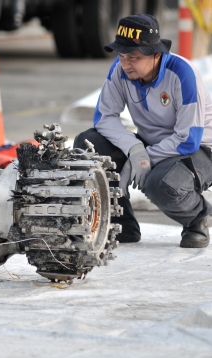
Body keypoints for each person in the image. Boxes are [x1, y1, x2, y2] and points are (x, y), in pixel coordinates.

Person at [73, 14, 212, 248]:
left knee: (161, 184)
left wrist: (144, 160)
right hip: (151, 144)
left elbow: (188, 138)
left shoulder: (182, 73)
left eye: (134, 57)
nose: (125, 63)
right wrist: (134, 148)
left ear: (156, 54)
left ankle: (198, 218)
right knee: (88, 144)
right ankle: (121, 224)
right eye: (121, 55)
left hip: (199, 150)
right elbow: (104, 118)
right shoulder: (120, 70)